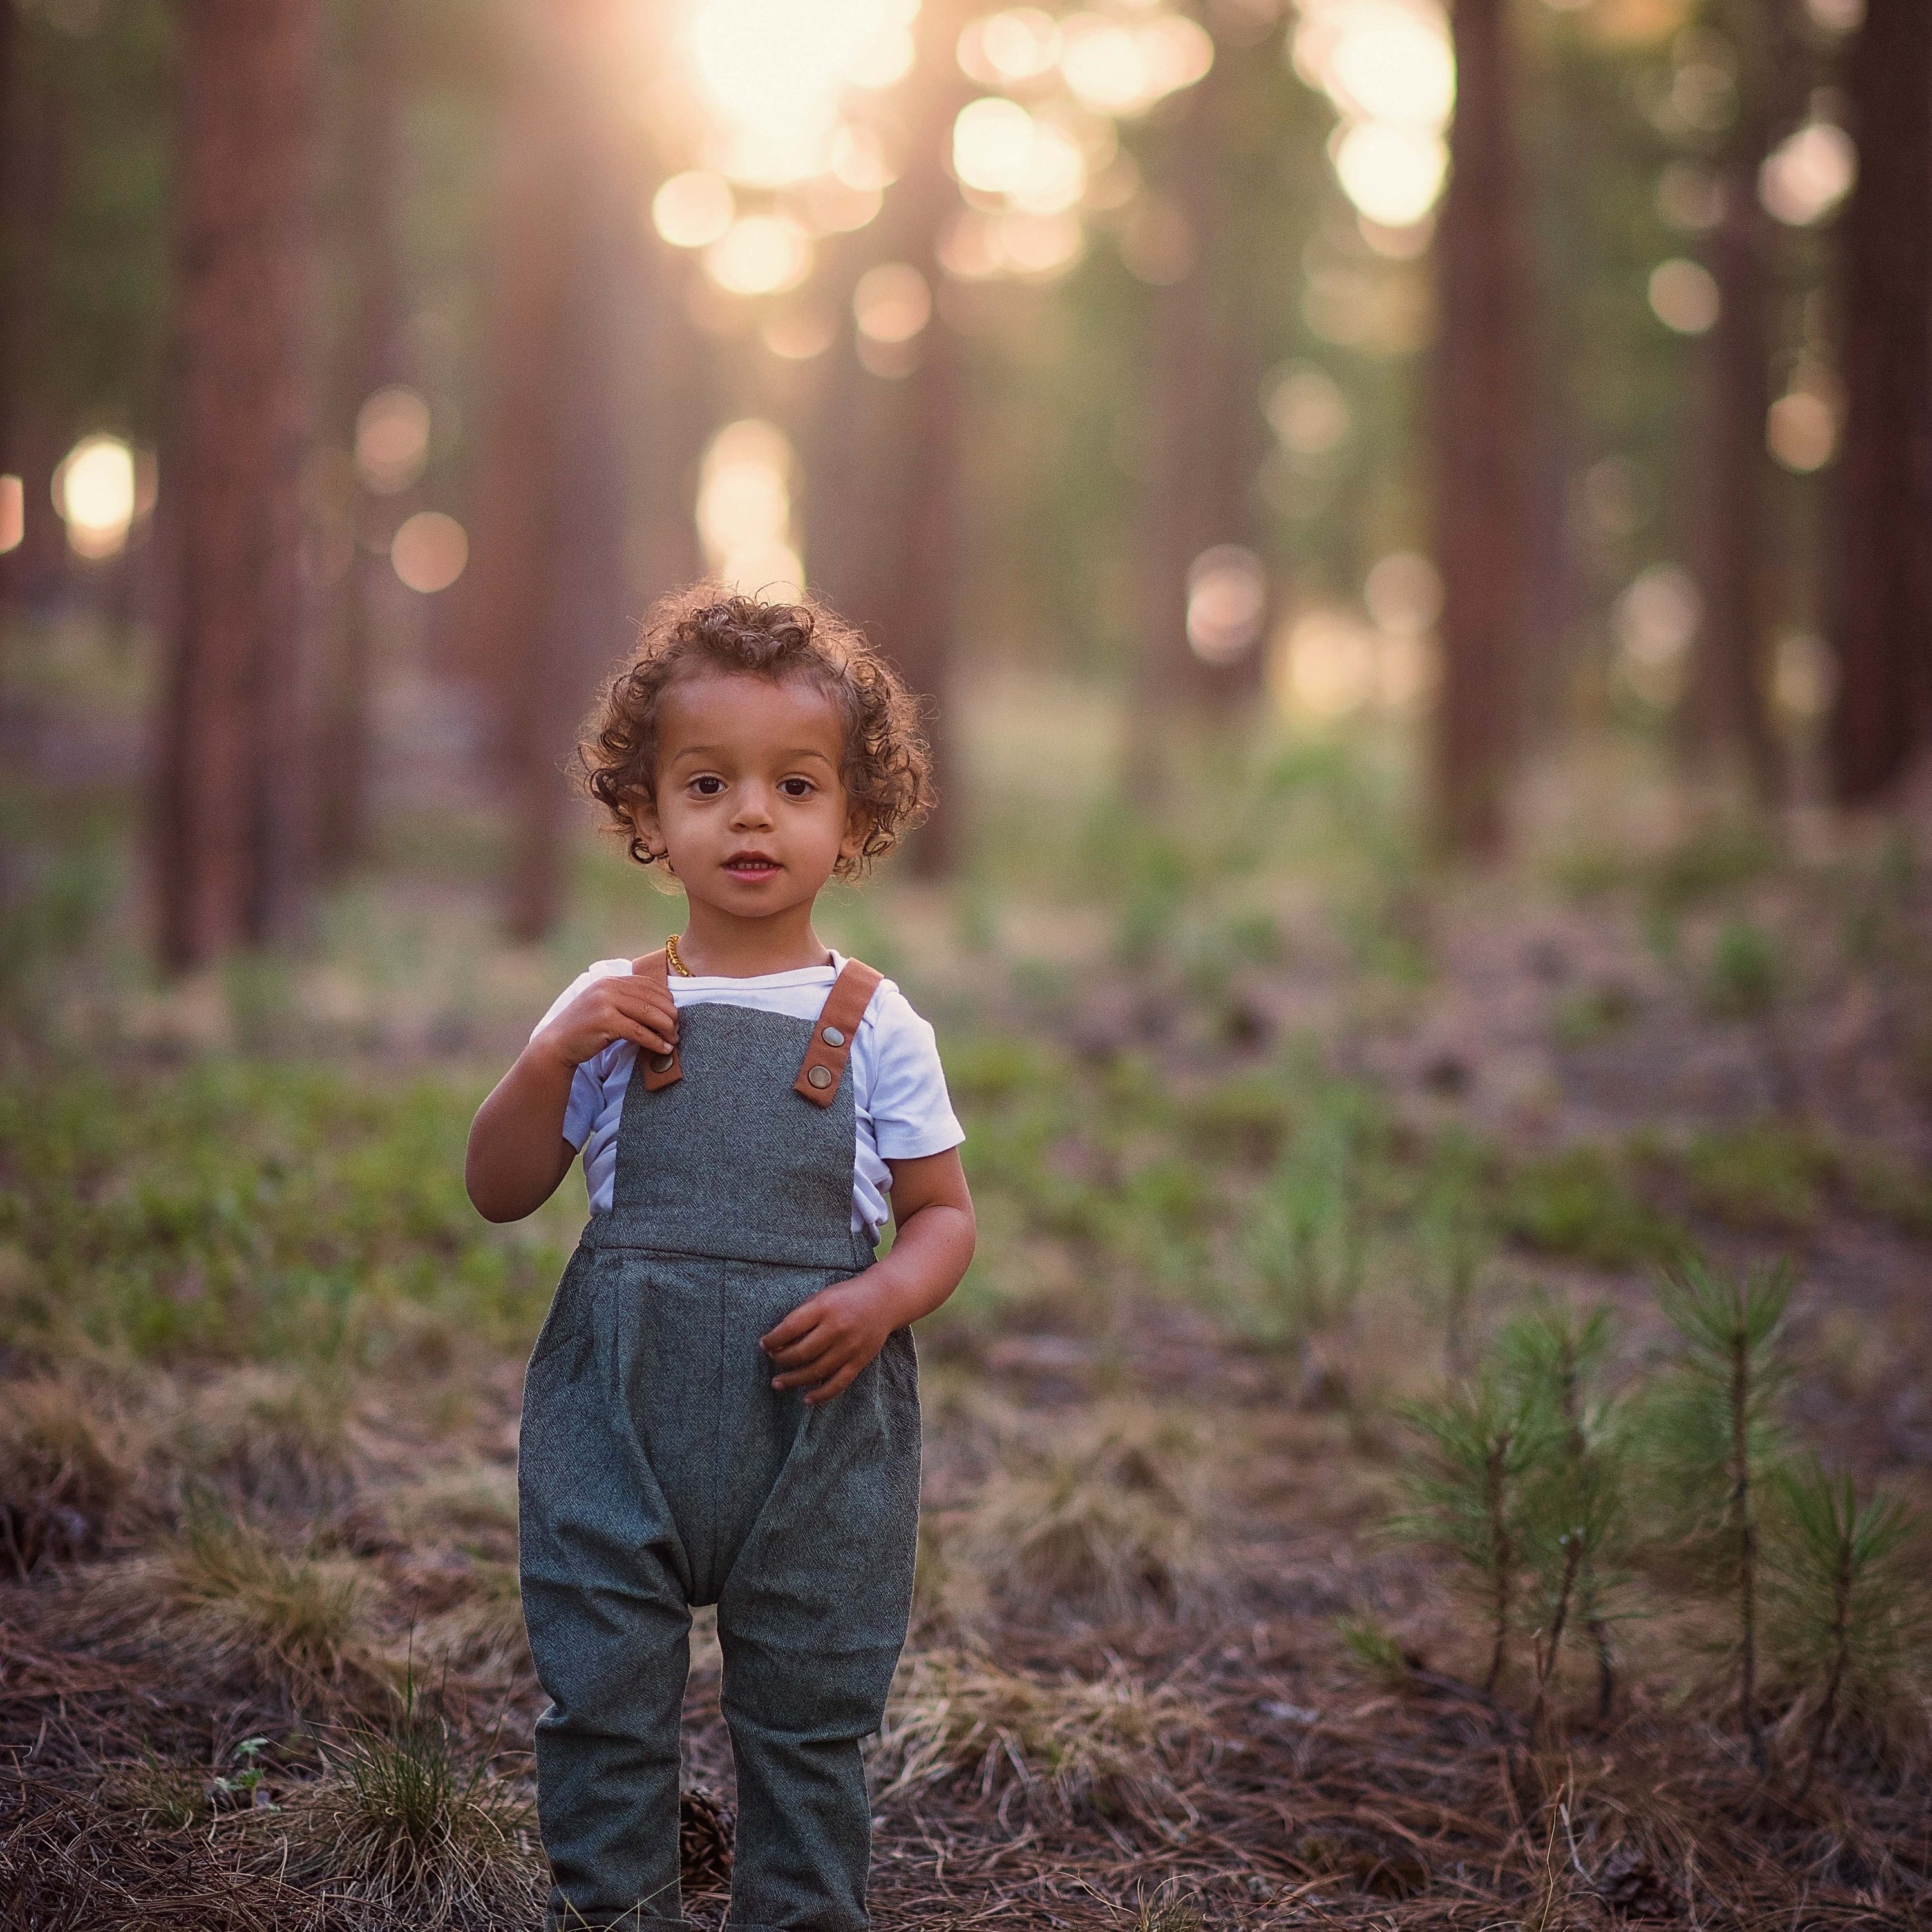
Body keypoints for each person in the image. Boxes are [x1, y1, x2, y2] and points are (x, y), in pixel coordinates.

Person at [464, 588, 976, 1931]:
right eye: (708, 784)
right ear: (648, 813)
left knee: (810, 1715)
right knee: (602, 1697)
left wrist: (883, 1296)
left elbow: (944, 1216)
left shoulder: (879, 1023)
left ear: (853, 819)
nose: (752, 816)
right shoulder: (610, 1005)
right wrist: (548, 1057)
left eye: (795, 786)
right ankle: (613, 1908)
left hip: (816, 1435)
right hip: (617, 1415)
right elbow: (500, 1192)